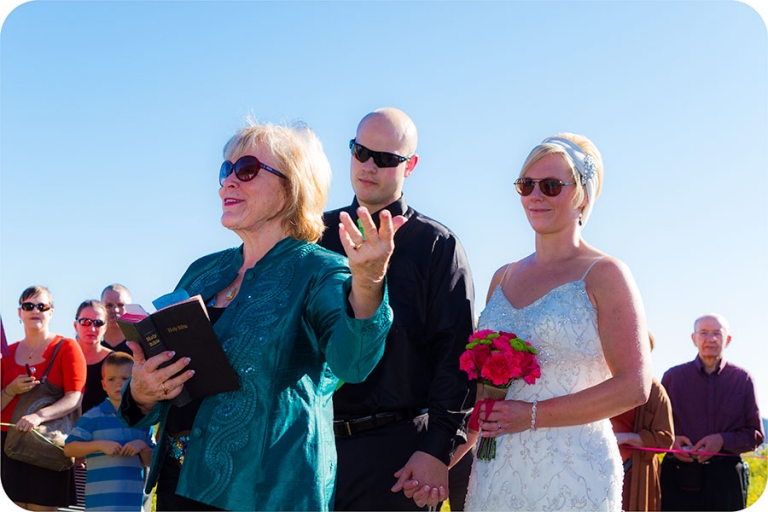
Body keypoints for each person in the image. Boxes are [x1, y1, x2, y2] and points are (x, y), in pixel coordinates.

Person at [118, 119, 400, 511]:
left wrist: (368, 282)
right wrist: (142, 392)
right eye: (225, 170)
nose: (227, 183)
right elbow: (160, 391)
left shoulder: (320, 272)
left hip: (266, 495)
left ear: (291, 187)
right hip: (177, 486)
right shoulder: (202, 272)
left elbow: (352, 364)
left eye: (246, 170)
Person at [455, 134, 652, 512]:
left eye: (551, 186)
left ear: (582, 195)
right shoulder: (502, 277)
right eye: (525, 185)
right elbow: (484, 397)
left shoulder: (606, 274)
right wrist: (443, 457)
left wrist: (531, 416)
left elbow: (635, 385)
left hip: (573, 469)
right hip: (497, 468)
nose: (535, 196)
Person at [319, 107, 476, 511]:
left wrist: (437, 449)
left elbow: (456, 354)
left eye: (386, 159)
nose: (368, 166)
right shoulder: (314, 236)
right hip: (309, 446)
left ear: (411, 165)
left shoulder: (437, 246)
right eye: (360, 152)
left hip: (396, 456)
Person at [660, 313, 764, 511]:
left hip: (726, 481)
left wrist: (722, 440)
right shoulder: (672, 378)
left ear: (728, 339)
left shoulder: (742, 379)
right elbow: (655, 428)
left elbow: (756, 435)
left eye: (717, 333)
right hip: (678, 477)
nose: (711, 339)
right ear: (694, 338)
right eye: (704, 333)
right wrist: (671, 441)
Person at [1, 285, 87, 510]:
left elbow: (74, 398)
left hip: (47, 441)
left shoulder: (67, 347)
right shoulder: (5, 355)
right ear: (19, 313)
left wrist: (38, 416)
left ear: (51, 312)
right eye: (28, 306)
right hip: (7, 447)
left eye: (42, 305)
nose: (35, 310)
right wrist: (10, 390)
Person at [64, 352, 154, 511]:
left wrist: (142, 446)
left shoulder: (144, 420)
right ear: (103, 384)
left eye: (125, 379)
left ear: (136, 381)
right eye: (111, 379)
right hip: (99, 504)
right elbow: (69, 448)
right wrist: (99, 445)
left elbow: (152, 462)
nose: (118, 384)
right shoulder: (92, 417)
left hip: (132, 505)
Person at [610, 332, 674, 511]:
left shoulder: (654, 390)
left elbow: (665, 439)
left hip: (635, 474)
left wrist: (625, 438)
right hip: (596, 468)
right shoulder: (599, 380)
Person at [72, 299, 113, 507]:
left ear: (106, 327)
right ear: (75, 325)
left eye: (98, 323)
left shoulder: (117, 364)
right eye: (85, 322)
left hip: (104, 456)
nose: (91, 328)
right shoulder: (61, 357)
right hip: (63, 454)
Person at [101, 284, 133, 354]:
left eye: (120, 305)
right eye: (109, 305)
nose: (115, 310)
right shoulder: (92, 345)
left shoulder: (140, 345)